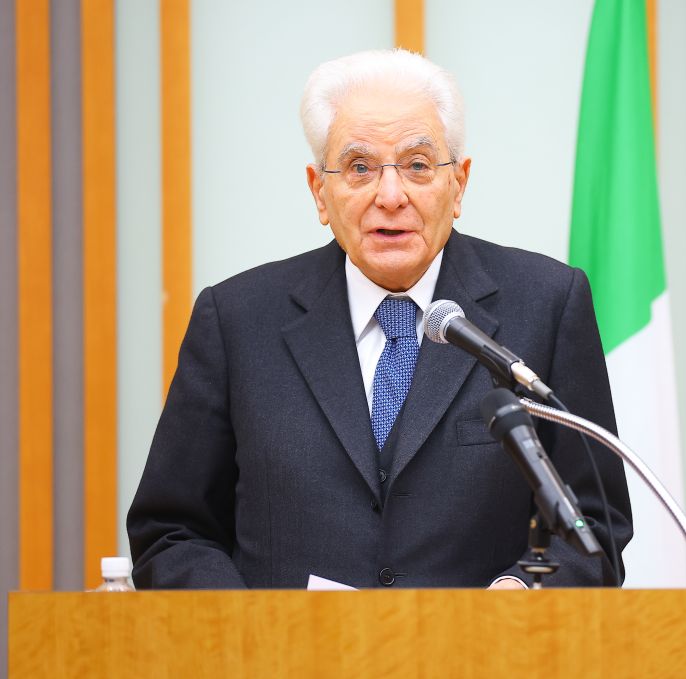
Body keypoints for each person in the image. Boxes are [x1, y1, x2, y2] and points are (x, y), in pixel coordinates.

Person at [127, 49, 631, 590]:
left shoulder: (547, 305)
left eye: (417, 165)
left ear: (458, 185)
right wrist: (253, 627)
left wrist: (518, 598)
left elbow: (593, 525)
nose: (391, 197)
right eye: (360, 168)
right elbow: (172, 532)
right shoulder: (236, 321)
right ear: (320, 192)